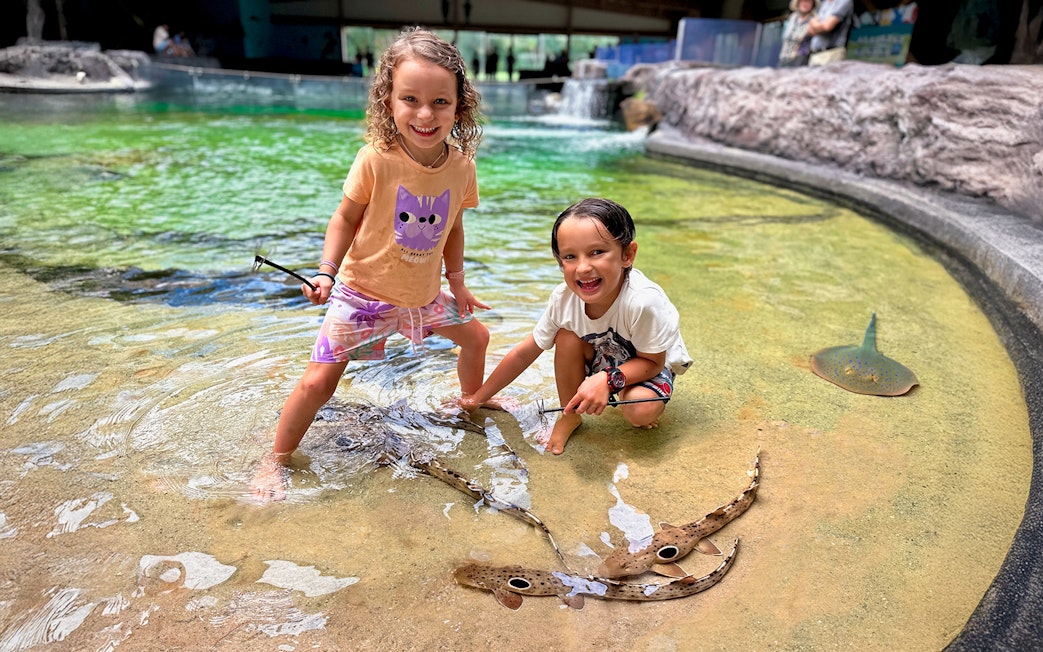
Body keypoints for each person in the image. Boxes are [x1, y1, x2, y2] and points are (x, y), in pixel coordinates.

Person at [251, 27, 494, 500]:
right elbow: (343, 218)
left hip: (422, 298)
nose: (425, 114)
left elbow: (453, 228)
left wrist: (458, 285)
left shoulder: (462, 165)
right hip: (363, 297)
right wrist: (326, 271)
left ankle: (468, 402)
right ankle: (273, 460)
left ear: (459, 106)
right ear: (389, 102)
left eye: (440, 102)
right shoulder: (376, 159)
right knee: (319, 382)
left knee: (477, 337)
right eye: (411, 99)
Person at [459, 198, 692, 455]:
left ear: (627, 254)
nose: (583, 267)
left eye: (597, 252)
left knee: (640, 411)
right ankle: (569, 416)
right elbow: (525, 352)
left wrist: (607, 381)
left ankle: (634, 393)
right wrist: (478, 398)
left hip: (648, 362)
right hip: (606, 355)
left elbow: (653, 361)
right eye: (570, 256)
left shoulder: (643, 302)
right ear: (560, 263)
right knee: (566, 335)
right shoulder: (563, 299)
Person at [806, 0, 854, 65]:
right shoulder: (823, 3)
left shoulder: (845, 2)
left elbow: (828, 26)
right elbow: (809, 30)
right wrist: (821, 26)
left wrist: (816, 26)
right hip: (815, 53)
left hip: (832, 52)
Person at [778, 0, 819, 67]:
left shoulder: (814, 19)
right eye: (803, 1)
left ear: (813, 5)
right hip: (784, 57)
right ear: (798, 3)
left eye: (809, 2)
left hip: (801, 58)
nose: (805, 4)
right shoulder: (792, 17)